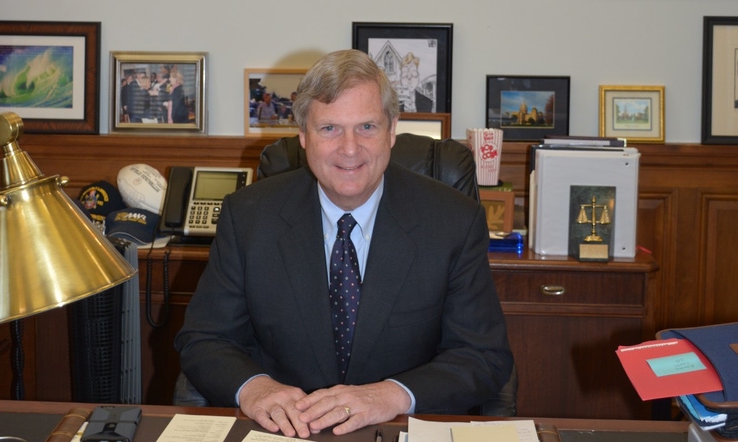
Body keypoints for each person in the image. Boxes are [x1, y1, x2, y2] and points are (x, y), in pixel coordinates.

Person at [174, 49, 513, 439]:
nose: (350, 149)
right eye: (329, 128)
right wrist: (255, 388)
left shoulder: (453, 220)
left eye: (367, 127)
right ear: (303, 136)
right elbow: (204, 338)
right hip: (288, 430)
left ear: (392, 130)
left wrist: (393, 395)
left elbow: (484, 355)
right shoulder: (249, 216)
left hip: (399, 427)